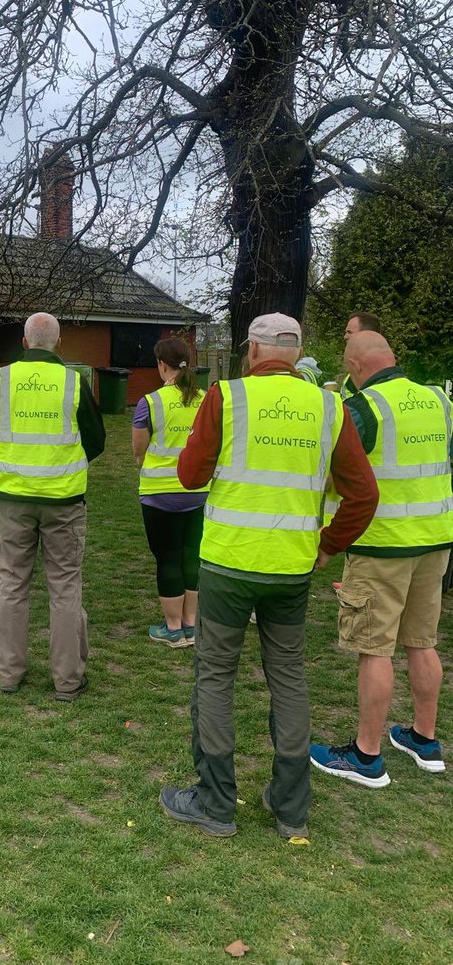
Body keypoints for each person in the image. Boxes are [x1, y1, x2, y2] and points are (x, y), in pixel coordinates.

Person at [159, 313, 378, 839]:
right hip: (291, 569)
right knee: (287, 676)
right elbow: (363, 493)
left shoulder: (227, 397)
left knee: (215, 676)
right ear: (297, 352)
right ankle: (290, 806)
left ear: (252, 352)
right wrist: (327, 545)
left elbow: (189, 474)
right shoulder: (330, 406)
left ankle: (215, 801)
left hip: (229, 565)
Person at [310, 332, 453, 786]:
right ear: (393, 358)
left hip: (382, 544)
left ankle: (365, 756)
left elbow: (337, 472)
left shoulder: (364, 408)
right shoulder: (438, 400)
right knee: (422, 642)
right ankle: (423, 739)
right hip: (435, 540)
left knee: (374, 649)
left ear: (354, 367)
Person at [0, 312, 105, 700]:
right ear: (58, 343)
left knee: (12, 584)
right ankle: (68, 680)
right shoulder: (74, 381)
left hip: (14, 499)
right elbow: (96, 441)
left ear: (25, 341)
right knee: (65, 587)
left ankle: (9, 675)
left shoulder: (2, 380)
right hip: (64, 499)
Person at [132, 338, 207, 648]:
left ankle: (173, 628)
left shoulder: (149, 402)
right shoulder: (207, 399)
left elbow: (139, 452)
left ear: (162, 365)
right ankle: (190, 625)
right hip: (199, 492)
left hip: (159, 493)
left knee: (167, 559)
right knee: (192, 558)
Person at [340, 311, 382, 398]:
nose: (345, 337)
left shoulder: (373, 369)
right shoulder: (357, 366)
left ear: (366, 334)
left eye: (349, 332)